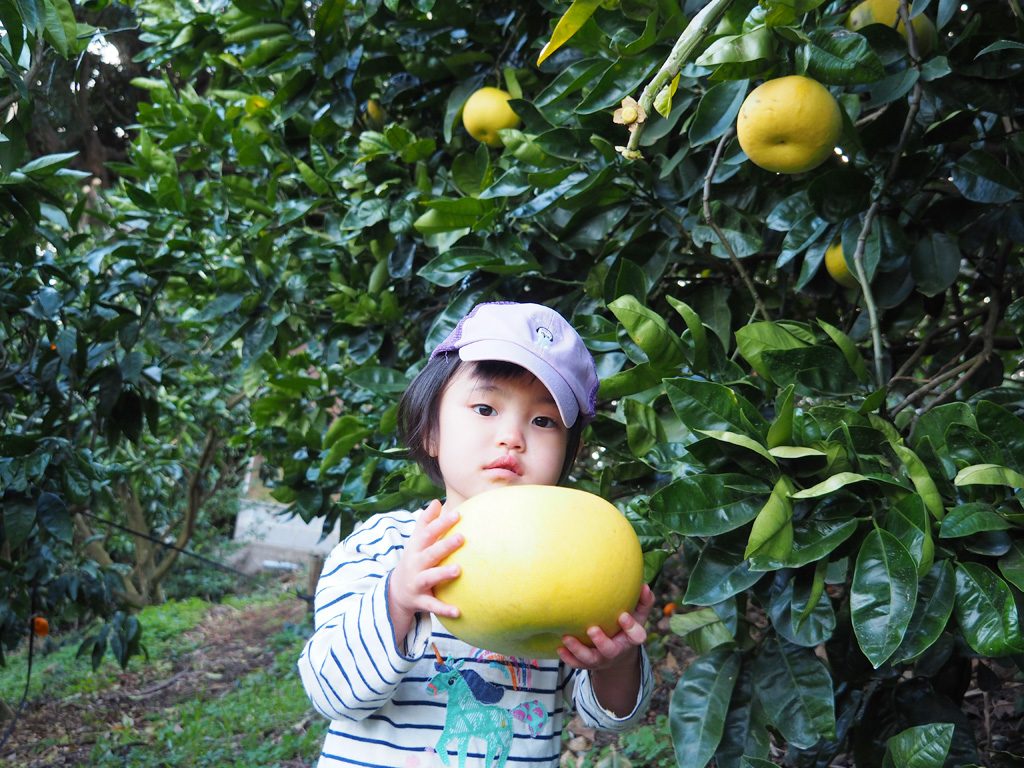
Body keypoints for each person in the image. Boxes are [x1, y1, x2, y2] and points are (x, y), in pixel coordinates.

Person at [298, 301, 655, 768]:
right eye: (485, 407)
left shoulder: (572, 559)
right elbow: (331, 692)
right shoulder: (383, 546)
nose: (512, 436)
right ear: (431, 431)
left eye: (543, 421)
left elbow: (608, 718)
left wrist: (616, 663)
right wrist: (398, 598)